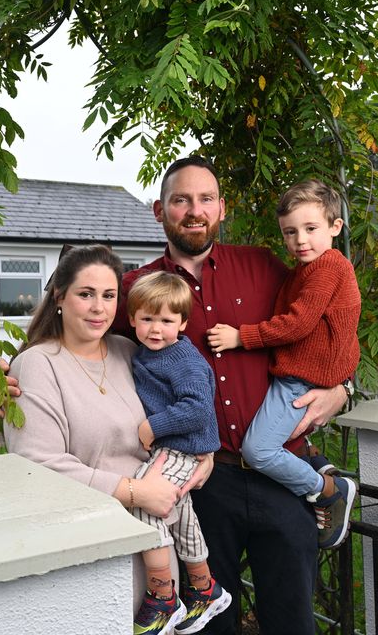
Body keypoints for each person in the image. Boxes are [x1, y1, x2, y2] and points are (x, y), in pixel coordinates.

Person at [112, 156, 348, 634]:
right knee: (210, 625)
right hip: (201, 485)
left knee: (291, 621)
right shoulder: (137, 289)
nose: (194, 210)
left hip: (278, 475)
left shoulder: (265, 266)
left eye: (205, 199)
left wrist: (341, 389)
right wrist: (23, 371)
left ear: (222, 208)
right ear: (160, 210)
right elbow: (84, 343)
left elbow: (326, 323)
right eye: (181, 200)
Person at [4, 244, 202, 635]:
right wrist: (134, 491)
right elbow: (37, 465)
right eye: (85, 294)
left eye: (109, 295)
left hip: (155, 545)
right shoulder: (37, 365)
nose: (98, 307)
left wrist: (203, 454)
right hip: (92, 549)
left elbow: (185, 409)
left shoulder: (132, 352)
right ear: (59, 297)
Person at [206, 179, 361, 550]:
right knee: (273, 435)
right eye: (290, 232)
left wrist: (241, 337)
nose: (300, 240)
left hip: (299, 382)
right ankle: (314, 460)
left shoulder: (327, 268)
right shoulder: (305, 269)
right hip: (297, 377)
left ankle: (327, 490)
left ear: (335, 227)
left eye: (311, 229)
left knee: (258, 450)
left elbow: (300, 323)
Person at [126, 270, 231, 633]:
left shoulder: (180, 358)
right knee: (182, 512)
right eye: (147, 319)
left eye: (167, 321)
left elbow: (199, 407)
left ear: (183, 323)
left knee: (144, 504)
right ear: (132, 319)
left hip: (182, 450)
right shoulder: (146, 353)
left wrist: (152, 427)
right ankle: (205, 587)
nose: (156, 329)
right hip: (178, 450)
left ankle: (162, 594)